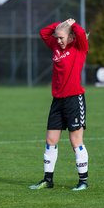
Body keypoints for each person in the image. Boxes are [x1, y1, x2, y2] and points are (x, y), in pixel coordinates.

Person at [29, 18, 89, 191]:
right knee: (50, 140)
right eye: (57, 38)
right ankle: (48, 180)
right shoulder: (56, 47)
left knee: (75, 140)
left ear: (71, 37)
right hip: (57, 100)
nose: (59, 41)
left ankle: (83, 181)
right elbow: (43, 32)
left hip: (74, 100)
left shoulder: (79, 48)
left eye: (62, 38)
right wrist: (60, 25)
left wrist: (72, 25)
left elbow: (81, 34)